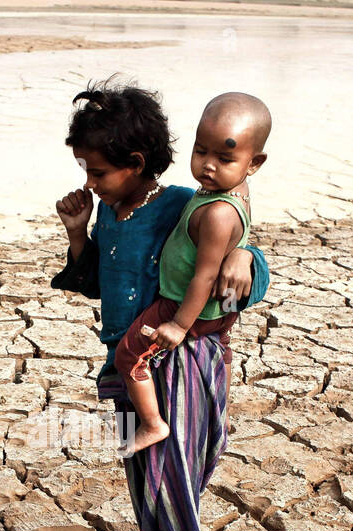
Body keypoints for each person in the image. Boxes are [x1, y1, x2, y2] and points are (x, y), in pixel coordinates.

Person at [50, 82, 270, 531]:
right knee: (145, 484)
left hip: (182, 362)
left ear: (136, 165)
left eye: (97, 172)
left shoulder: (181, 204)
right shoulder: (112, 215)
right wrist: (79, 233)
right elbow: (96, 283)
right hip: (127, 363)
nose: (89, 183)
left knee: (172, 486)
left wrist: (248, 256)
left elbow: (233, 233)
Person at [112, 92, 270, 458]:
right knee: (225, 352)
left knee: (129, 356)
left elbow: (204, 276)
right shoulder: (238, 190)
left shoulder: (217, 213)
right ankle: (222, 411)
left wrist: (180, 325)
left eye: (224, 158)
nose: (208, 166)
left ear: (254, 162)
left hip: (184, 307)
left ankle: (152, 424)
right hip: (219, 311)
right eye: (201, 151)